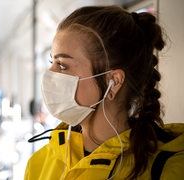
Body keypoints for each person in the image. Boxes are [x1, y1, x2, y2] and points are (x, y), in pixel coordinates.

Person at [25, 5, 184, 179]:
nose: (50, 74)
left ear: (113, 82)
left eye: (62, 65)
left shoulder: (169, 169)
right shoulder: (39, 164)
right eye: (52, 62)